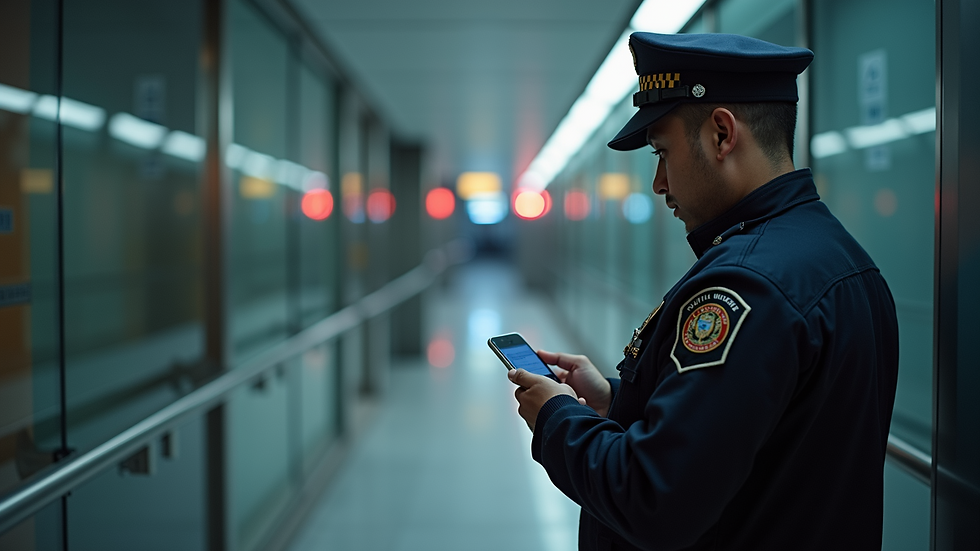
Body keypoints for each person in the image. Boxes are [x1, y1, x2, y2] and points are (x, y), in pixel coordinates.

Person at [508, 32, 899, 551]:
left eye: (663, 152)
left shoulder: (745, 285)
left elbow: (651, 498)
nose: (659, 182)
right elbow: (767, 429)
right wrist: (619, 402)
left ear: (721, 133)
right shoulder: (838, 257)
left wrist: (557, 418)